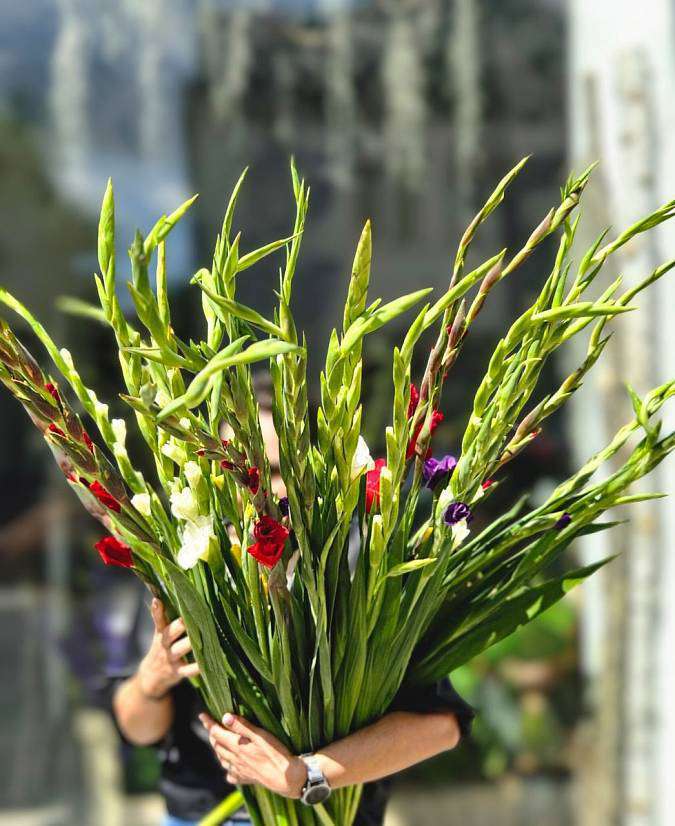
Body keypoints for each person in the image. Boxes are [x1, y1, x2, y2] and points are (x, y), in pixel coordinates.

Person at [112, 393, 474, 825]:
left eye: (277, 471)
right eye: (240, 471)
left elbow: (441, 726)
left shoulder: (363, 570)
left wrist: (306, 775)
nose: (261, 492)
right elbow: (137, 729)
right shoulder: (186, 567)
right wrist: (151, 681)